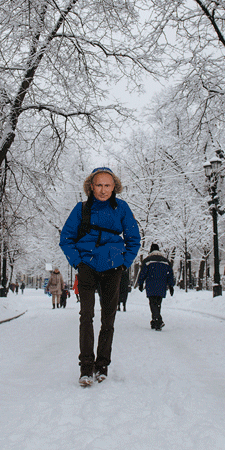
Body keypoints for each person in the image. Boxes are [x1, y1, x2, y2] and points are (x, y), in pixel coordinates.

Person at [59, 166, 141, 387]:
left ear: (114, 187)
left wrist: (125, 262)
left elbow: (134, 238)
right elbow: (66, 238)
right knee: (86, 315)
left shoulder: (122, 208)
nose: (103, 190)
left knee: (108, 318)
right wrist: (77, 261)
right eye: (99, 185)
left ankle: (102, 365)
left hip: (113, 267)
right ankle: (86, 367)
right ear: (91, 186)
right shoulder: (81, 209)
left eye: (107, 185)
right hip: (87, 265)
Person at [136, 244, 175, 330]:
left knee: (152, 303)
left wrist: (141, 283)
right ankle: (155, 321)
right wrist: (171, 286)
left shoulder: (147, 261)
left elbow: (143, 273)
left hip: (151, 285)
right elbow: (170, 275)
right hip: (162, 285)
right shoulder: (166, 261)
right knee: (158, 304)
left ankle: (158, 320)